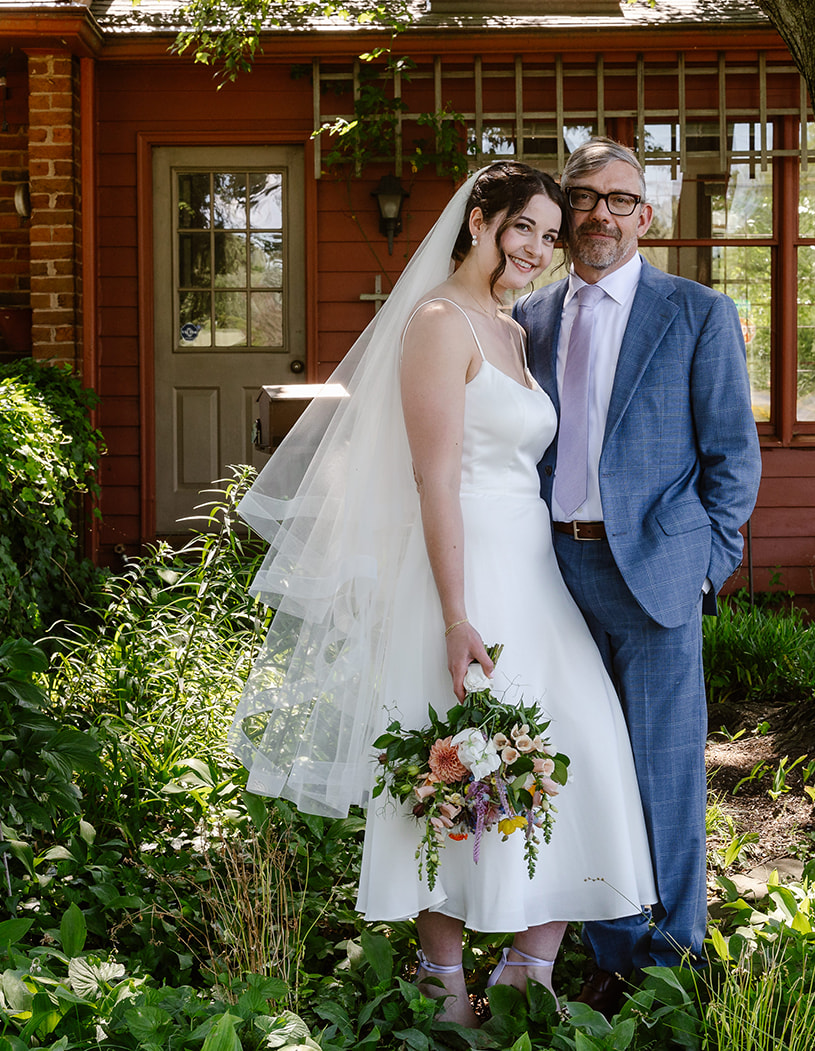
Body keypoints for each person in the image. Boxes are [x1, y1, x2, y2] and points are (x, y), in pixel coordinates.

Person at [228, 162, 657, 1027]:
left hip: (532, 569)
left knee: (583, 749)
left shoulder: (511, 327)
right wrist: (456, 615)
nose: (539, 247)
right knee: (450, 762)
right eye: (523, 228)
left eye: (548, 232)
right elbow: (433, 481)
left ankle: (526, 972)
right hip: (459, 576)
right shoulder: (436, 324)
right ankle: (444, 988)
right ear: (478, 223)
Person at [514, 138, 763, 1011]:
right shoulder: (530, 319)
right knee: (579, 766)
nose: (601, 215)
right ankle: (614, 953)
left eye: (620, 200)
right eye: (585, 198)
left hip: (657, 573)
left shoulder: (694, 312)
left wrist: (707, 567)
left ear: (645, 216)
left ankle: (678, 956)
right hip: (554, 570)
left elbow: (733, 455)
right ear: (566, 210)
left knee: (661, 768)